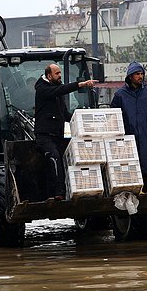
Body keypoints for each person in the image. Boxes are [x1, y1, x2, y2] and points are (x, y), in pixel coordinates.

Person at [35, 63, 97, 200]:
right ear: (49, 76)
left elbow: (64, 114)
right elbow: (60, 90)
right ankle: (59, 194)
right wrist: (79, 85)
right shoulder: (42, 89)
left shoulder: (56, 92)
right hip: (44, 136)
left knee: (70, 159)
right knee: (55, 158)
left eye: (60, 73)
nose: (60, 76)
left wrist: (82, 121)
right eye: (57, 74)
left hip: (58, 135)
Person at [110, 61, 147, 194]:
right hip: (129, 135)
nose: (140, 76)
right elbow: (112, 114)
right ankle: (139, 191)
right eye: (137, 74)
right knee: (133, 163)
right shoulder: (120, 95)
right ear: (130, 76)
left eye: (142, 74)